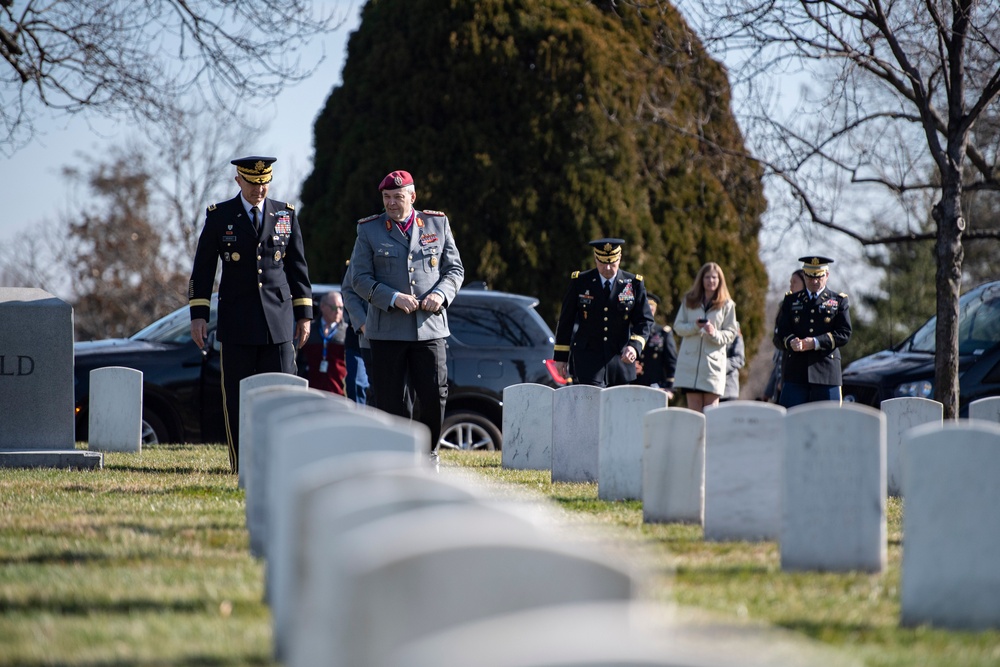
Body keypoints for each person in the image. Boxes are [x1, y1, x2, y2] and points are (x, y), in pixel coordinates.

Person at [189, 156, 312, 473]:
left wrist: (304, 315)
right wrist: (199, 315)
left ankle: (283, 463)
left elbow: (298, 268)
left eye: (265, 182)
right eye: (254, 183)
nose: (260, 189)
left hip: (279, 323)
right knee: (238, 399)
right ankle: (242, 464)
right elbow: (203, 270)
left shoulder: (285, 214)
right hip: (237, 322)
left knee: (283, 395)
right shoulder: (220, 216)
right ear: (238, 181)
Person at [348, 170, 464, 456]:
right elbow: (358, 279)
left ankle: (429, 453)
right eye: (386, 197)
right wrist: (393, 298)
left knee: (434, 394)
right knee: (391, 401)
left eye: (398, 197)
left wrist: (441, 294)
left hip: (430, 328)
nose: (391, 203)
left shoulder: (437, 223)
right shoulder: (369, 229)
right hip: (387, 330)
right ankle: (397, 456)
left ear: (413, 197)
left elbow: (454, 270)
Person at [553, 238, 654, 387]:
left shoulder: (633, 284)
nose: (607, 268)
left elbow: (644, 320)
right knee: (592, 406)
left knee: (617, 408)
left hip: (620, 360)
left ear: (619, 258)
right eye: (602, 262)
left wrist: (634, 346)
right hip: (588, 360)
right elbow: (566, 321)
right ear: (595, 258)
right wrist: (561, 357)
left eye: (612, 262)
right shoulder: (580, 282)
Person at [774, 255, 852, 407]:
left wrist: (815, 343)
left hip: (826, 373)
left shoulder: (838, 301)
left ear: (827, 275)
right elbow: (781, 332)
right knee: (791, 422)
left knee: (828, 423)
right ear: (804, 275)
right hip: (796, 373)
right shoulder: (791, 301)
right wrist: (791, 342)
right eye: (810, 277)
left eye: (819, 277)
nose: (814, 281)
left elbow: (844, 333)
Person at [672, 262, 738, 413]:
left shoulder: (727, 305)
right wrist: (695, 327)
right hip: (690, 367)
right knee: (694, 416)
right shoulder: (689, 300)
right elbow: (678, 327)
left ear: (720, 280)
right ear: (701, 280)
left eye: (714, 277)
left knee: (710, 415)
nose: (711, 281)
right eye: (707, 277)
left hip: (712, 367)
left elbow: (731, 333)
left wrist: (714, 332)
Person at [763, 269, 806, 402]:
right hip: (784, 364)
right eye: (790, 282)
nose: (791, 286)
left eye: (795, 282)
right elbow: (779, 337)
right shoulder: (786, 305)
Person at [298, 291, 347, 395]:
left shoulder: (347, 333)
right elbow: (300, 361)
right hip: (311, 392)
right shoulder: (309, 330)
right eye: (334, 308)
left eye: (341, 308)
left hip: (339, 393)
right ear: (322, 307)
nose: (338, 311)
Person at [634, 293, 677, 398]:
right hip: (632, 385)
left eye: (651, 308)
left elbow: (671, 362)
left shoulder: (663, 333)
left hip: (656, 386)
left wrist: (670, 387)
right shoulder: (630, 331)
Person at [340, 260, 371, 405]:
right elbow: (349, 295)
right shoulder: (357, 261)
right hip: (357, 335)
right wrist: (363, 324)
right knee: (356, 384)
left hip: (385, 334)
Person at [721, 321, 746, 401]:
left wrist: (719, 367)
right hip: (707, 389)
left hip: (728, 390)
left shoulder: (734, 327)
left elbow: (739, 358)